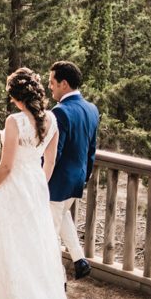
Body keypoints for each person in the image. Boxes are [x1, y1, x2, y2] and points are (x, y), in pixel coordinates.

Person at [0, 68, 151, 299]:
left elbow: (5, 165)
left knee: (2, 238)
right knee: (32, 243)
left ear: (15, 95)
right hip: (34, 186)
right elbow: (51, 159)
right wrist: (38, 185)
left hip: (14, 186)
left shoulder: (14, 121)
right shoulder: (50, 120)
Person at [47, 61, 97, 280]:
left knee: (49, 231)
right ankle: (79, 260)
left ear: (64, 84)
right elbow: (91, 149)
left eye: (52, 83)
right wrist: (84, 176)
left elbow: (54, 153)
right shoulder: (92, 109)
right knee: (62, 215)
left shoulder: (60, 112)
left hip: (57, 182)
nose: (50, 87)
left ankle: (59, 281)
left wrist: (40, 179)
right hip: (77, 180)